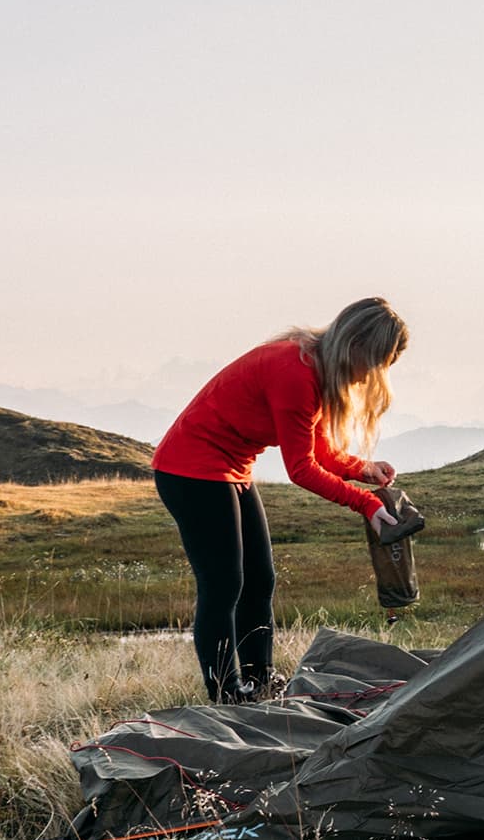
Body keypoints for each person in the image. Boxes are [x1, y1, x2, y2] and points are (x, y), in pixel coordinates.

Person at [152, 297, 408, 702]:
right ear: (355, 344)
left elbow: (317, 450)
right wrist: (366, 504)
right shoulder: (295, 371)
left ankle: (260, 681)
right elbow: (301, 470)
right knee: (223, 585)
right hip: (191, 469)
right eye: (374, 363)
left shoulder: (316, 370)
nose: (368, 378)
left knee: (260, 579)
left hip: (231, 467)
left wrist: (362, 470)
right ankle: (226, 693)